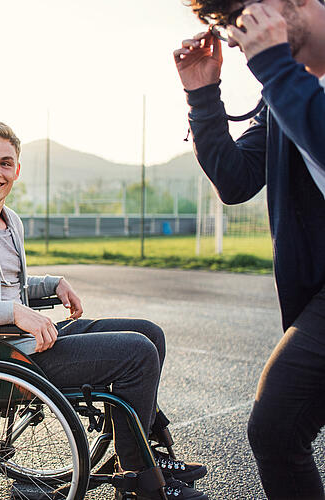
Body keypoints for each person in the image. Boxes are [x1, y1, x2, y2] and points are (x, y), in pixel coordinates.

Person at [0, 121, 208, 500]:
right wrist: (14, 312)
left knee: (150, 333)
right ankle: (138, 477)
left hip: (25, 342)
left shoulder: (10, 222)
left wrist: (53, 283)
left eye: (6, 163)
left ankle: (139, 454)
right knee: (137, 353)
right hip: (4, 356)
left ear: (17, 171)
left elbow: (10, 287)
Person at [174, 1, 325, 498]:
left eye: (245, 14)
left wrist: (277, 67)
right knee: (276, 430)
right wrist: (202, 95)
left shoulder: (285, 78)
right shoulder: (285, 86)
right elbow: (236, 180)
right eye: (229, 24)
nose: (239, 36)